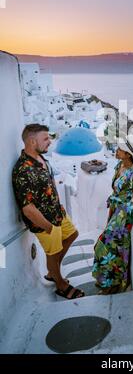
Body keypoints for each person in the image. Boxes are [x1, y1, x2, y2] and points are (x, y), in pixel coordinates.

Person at [12, 124, 85, 300]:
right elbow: (28, 208)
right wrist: (48, 227)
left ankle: (54, 271)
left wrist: (59, 210)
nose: (50, 141)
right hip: (44, 222)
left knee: (72, 234)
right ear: (32, 141)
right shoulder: (23, 170)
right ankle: (60, 285)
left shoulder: (41, 159)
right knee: (52, 252)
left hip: (57, 213)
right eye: (45, 138)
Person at [92, 133, 133, 295]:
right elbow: (115, 190)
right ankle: (111, 283)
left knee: (105, 247)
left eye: (120, 149)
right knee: (111, 248)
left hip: (125, 213)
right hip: (116, 210)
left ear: (128, 154)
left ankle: (114, 284)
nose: (116, 151)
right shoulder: (119, 166)